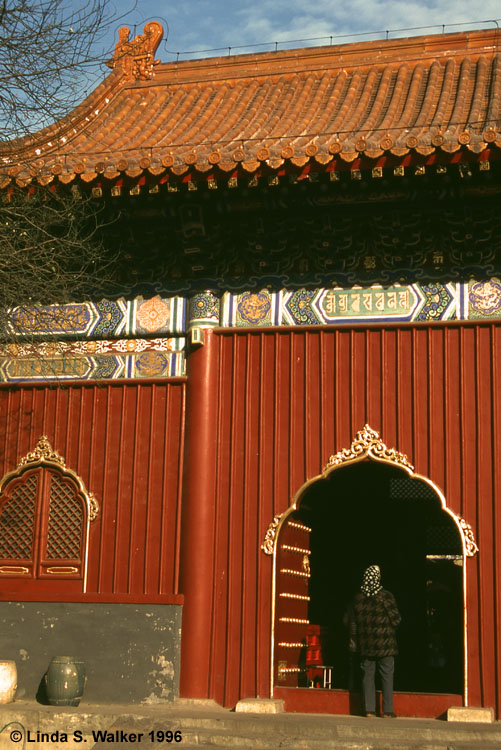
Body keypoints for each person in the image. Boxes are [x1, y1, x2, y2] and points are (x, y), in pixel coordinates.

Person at [349, 564, 401, 717]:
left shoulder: (358, 598)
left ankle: (369, 710)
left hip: (366, 644)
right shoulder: (386, 597)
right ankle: (388, 710)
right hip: (386, 644)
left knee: (368, 676)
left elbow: (354, 623)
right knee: (387, 675)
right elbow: (397, 620)